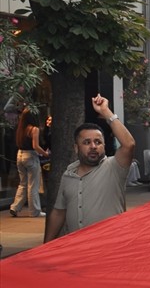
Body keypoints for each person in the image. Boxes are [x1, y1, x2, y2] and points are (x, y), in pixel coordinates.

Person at [44, 95, 136, 240]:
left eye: (98, 142)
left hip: (110, 248)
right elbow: (59, 212)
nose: (93, 146)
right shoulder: (68, 175)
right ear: (76, 148)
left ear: (104, 146)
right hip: (78, 250)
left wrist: (105, 111)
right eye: (87, 142)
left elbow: (129, 144)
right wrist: (46, 246)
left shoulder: (114, 167)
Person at [9, 106, 49, 218]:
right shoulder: (34, 129)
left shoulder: (20, 128)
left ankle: (15, 207)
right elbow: (35, 146)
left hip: (20, 155)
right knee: (33, 185)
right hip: (30, 156)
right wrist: (45, 154)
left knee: (23, 183)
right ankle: (34, 211)